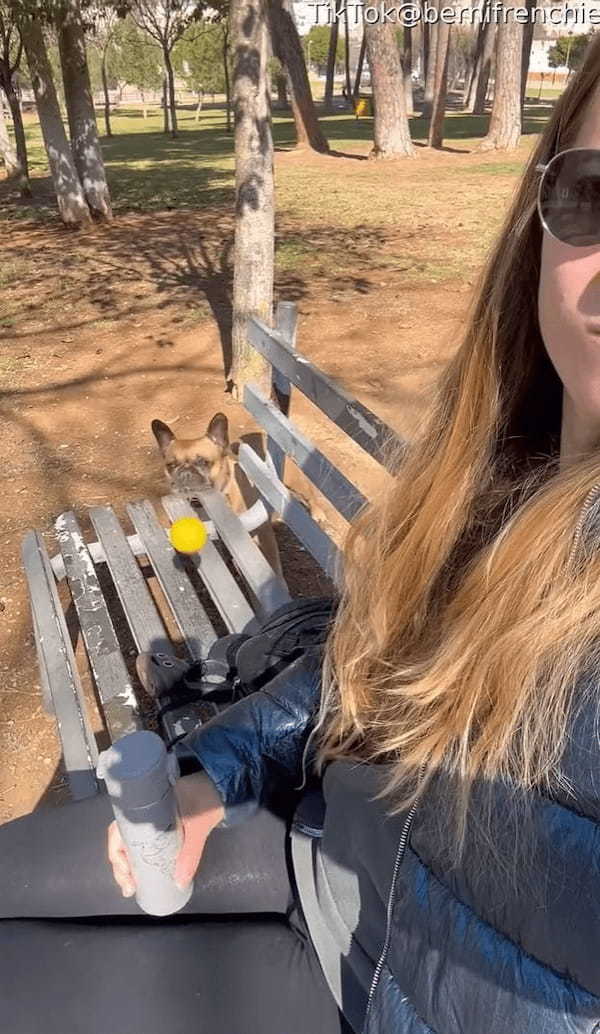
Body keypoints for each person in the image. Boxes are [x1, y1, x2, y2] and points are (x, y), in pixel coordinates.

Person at [4, 35, 600, 1034]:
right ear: (540, 217)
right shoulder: (497, 478)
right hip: (323, 856)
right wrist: (211, 774)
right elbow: (354, 663)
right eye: (595, 192)